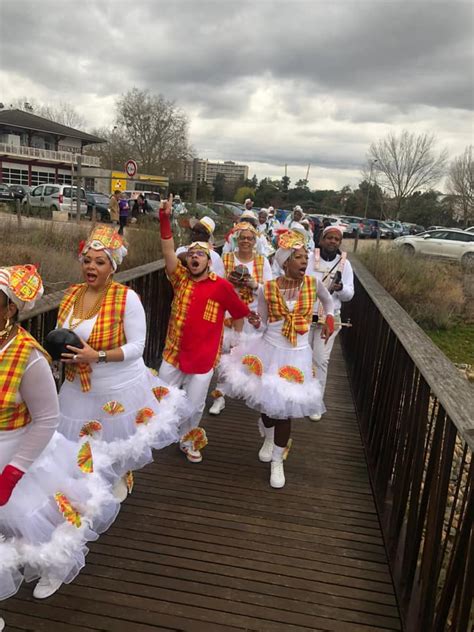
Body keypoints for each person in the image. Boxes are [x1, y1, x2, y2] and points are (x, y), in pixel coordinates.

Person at [0, 265, 119, 605]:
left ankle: (56, 563)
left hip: (22, 451)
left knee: (32, 519)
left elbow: (47, 419)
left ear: (9, 308)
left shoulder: (29, 357)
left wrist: (13, 471)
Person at [56, 224, 183, 500]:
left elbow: (138, 347)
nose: (91, 267)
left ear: (111, 267)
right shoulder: (70, 295)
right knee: (76, 444)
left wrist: (96, 355)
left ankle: (118, 475)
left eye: (100, 262)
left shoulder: (126, 298)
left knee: (114, 443)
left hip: (117, 386)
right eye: (87, 261)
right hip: (76, 385)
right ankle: (86, 489)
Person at [219, 230, 335, 489]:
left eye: (305, 257)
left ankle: (277, 459)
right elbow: (261, 323)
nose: (304, 261)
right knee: (269, 409)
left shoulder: (314, 284)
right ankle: (268, 435)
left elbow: (329, 304)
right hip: (270, 350)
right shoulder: (268, 289)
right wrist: (256, 321)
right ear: (284, 262)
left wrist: (329, 319)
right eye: (298, 257)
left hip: (297, 354)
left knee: (285, 412)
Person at [157, 196, 252, 463]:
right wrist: (164, 219)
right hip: (173, 352)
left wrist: (236, 342)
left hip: (204, 358)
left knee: (195, 405)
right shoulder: (180, 278)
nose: (194, 257)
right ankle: (156, 433)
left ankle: (188, 441)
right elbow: (167, 251)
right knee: (161, 395)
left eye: (200, 254)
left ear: (209, 260)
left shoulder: (220, 286)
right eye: (191, 255)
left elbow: (239, 312)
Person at [210, 221, 273, 415]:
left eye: (250, 238)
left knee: (251, 353)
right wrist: (228, 282)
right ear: (237, 239)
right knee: (225, 354)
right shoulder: (227, 257)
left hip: (252, 314)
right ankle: (219, 395)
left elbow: (271, 291)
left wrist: (255, 285)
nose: (246, 241)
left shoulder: (263, 261)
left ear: (255, 241)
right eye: (242, 237)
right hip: (229, 313)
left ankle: (250, 392)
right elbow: (215, 281)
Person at [306, 225, 354, 420]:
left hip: (329, 317)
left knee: (321, 359)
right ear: (321, 239)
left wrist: (340, 288)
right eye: (329, 238)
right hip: (306, 314)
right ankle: (301, 397)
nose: (332, 241)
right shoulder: (309, 258)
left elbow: (349, 294)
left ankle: (316, 402)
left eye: (336, 239)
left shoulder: (345, 265)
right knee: (302, 356)